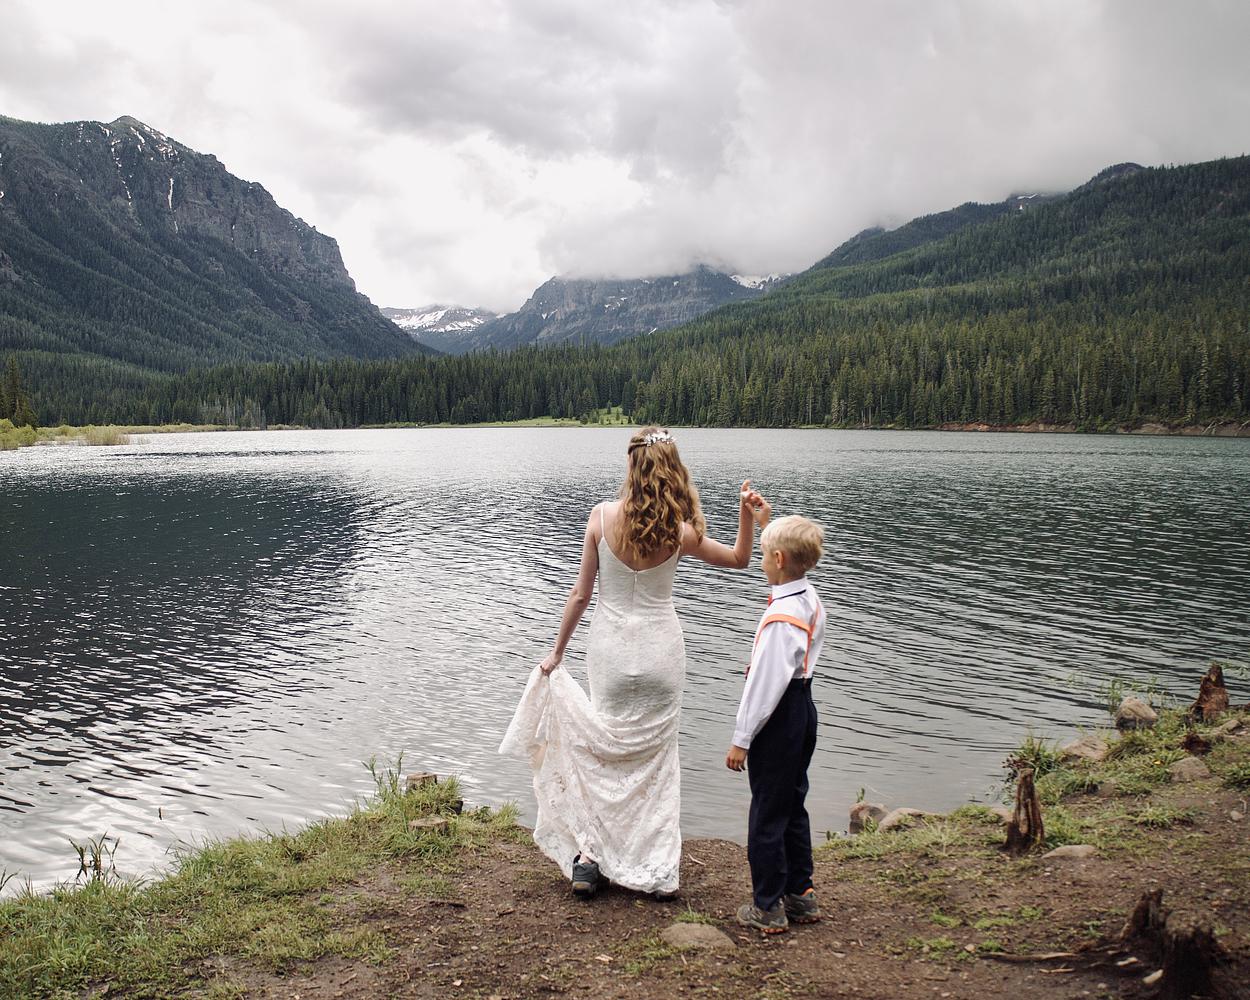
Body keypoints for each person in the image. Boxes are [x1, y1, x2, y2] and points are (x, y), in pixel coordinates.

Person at [500, 427, 768, 900]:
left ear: (632, 465)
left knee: (602, 752)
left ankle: (589, 860)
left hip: (610, 652)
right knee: (657, 762)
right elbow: (740, 559)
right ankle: (656, 866)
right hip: (662, 653)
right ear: (672, 470)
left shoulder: (601, 518)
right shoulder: (680, 531)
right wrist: (747, 515)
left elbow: (581, 595)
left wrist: (557, 652)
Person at [725, 514, 826, 934]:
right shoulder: (808, 597)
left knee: (766, 810)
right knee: (793, 801)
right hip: (804, 710)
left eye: (765, 555)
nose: (762, 561)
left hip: (779, 718)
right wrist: (767, 524)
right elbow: (787, 572)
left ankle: (767, 906)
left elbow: (763, 689)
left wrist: (741, 739)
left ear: (779, 559)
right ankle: (800, 892)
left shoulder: (780, 620)